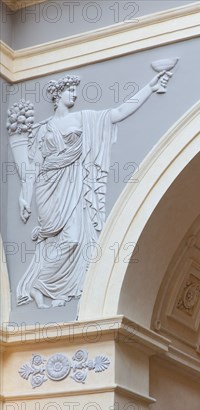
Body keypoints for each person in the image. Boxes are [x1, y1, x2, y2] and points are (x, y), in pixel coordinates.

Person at [16, 72, 169, 308]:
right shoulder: (42, 129)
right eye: (70, 90)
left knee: (74, 238)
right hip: (48, 187)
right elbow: (33, 165)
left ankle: (40, 285)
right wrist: (24, 196)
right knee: (60, 237)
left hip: (73, 183)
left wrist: (149, 87)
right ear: (57, 95)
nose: (75, 94)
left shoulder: (84, 118)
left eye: (76, 90)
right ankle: (41, 288)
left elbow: (117, 114)